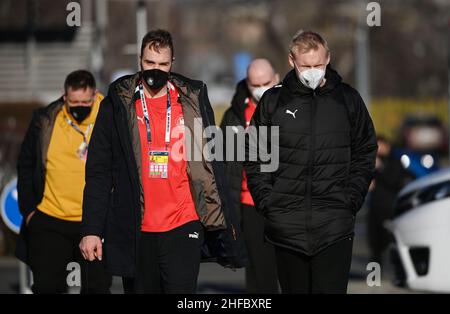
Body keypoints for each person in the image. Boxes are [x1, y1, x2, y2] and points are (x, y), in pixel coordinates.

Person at [79, 29, 246, 294]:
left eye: (162, 64)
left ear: (172, 63)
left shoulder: (192, 99)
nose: (155, 70)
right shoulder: (118, 103)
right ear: (140, 61)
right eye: (149, 63)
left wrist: (221, 220)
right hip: (137, 227)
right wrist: (91, 229)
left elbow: (211, 163)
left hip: (183, 224)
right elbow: (99, 171)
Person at [244, 30, 377, 294]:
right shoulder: (273, 101)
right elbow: (254, 154)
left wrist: (351, 199)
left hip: (334, 226)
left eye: (318, 64)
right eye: (306, 66)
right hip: (286, 226)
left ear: (328, 58)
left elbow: (365, 150)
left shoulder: (348, 100)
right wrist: (268, 202)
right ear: (292, 62)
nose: (313, 71)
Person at [16, 70, 111, 294]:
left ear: (95, 95)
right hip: (50, 219)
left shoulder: (110, 116)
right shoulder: (46, 119)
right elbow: (26, 164)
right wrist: (30, 213)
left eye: (86, 102)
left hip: (94, 223)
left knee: (97, 287)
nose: (80, 107)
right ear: (64, 96)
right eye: (74, 102)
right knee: (46, 287)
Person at [220, 58, 279, 293]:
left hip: (283, 201)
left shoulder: (292, 108)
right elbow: (223, 160)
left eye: (266, 82)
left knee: (283, 268)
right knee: (256, 268)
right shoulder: (234, 115)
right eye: (256, 84)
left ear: (276, 79)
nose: (261, 88)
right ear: (247, 83)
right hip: (247, 203)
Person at [367, 136, 414, 266]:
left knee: (390, 242)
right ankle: (374, 277)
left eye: (380, 146)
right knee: (374, 243)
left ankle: (396, 273)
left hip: (389, 207)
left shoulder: (395, 161)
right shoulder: (372, 162)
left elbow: (394, 181)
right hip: (375, 206)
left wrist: (381, 168)